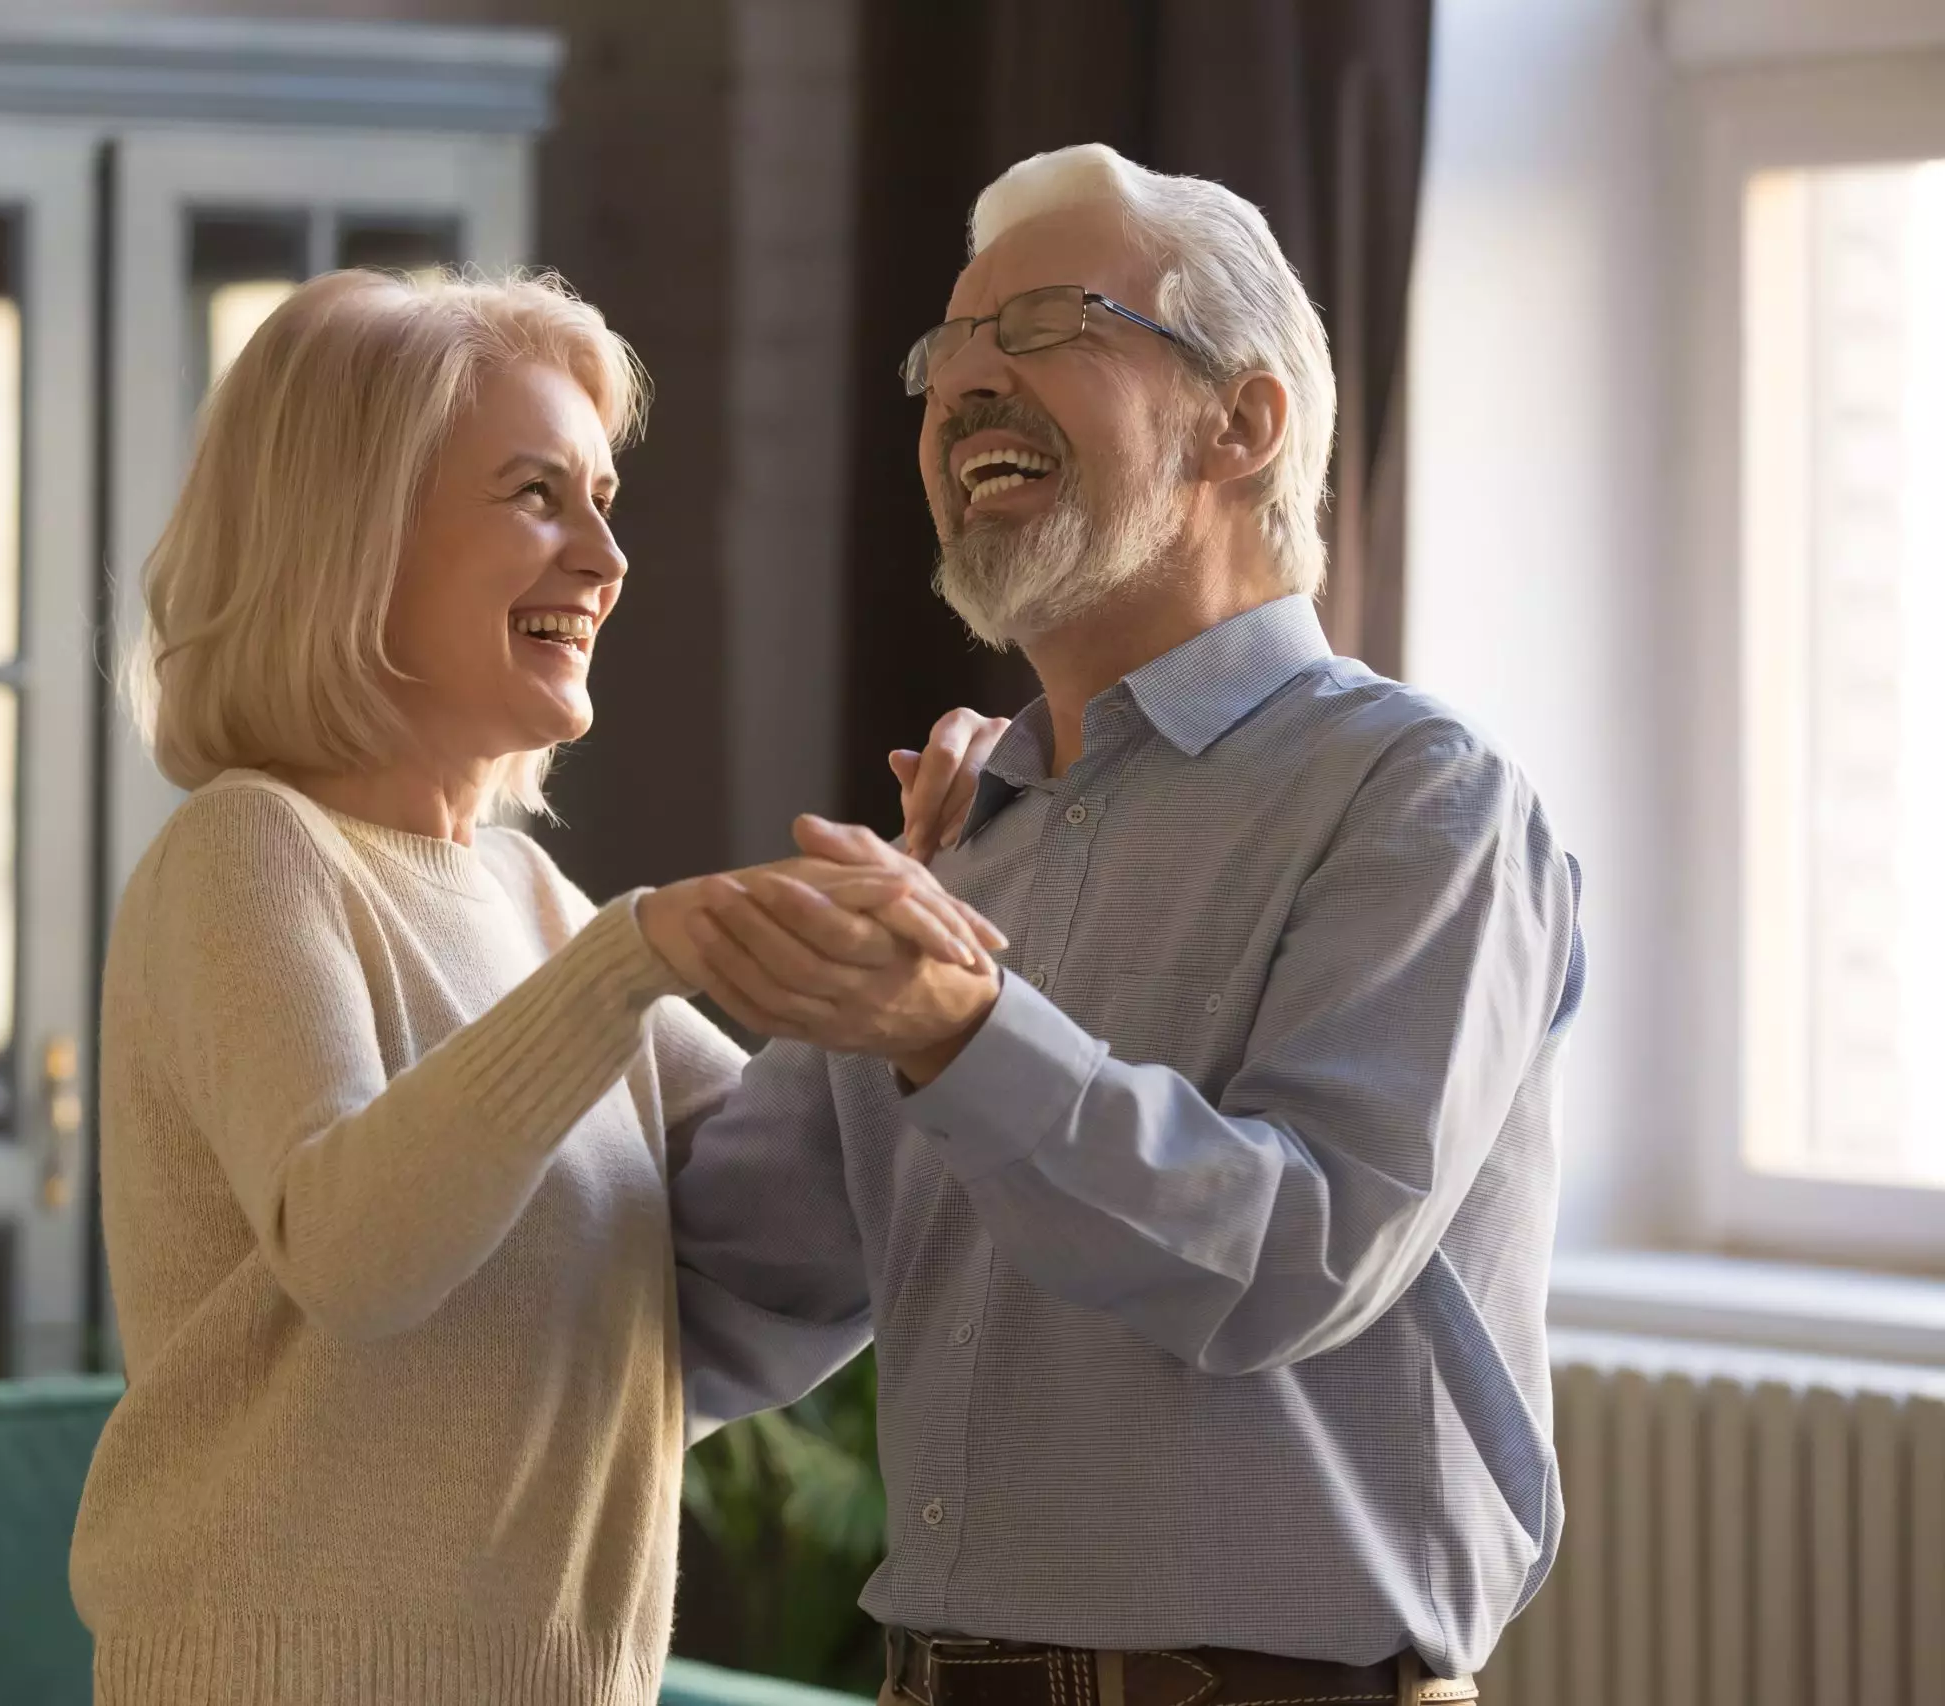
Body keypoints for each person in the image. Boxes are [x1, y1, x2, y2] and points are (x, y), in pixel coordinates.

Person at [667, 144, 1586, 1706]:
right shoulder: (959, 851)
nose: (962, 389)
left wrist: (959, 1033)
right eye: (943, 354)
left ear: (1246, 419)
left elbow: (1294, 1259)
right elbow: (717, 1287)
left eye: (1040, 328)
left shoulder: (1424, 801)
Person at [67, 265, 1006, 1706]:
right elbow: (358, 1254)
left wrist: (928, 896)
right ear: (354, 537)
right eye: (535, 494)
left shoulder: (527, 900)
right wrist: (634, 956)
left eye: (605, 499)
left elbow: (807, 1218)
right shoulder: (250, 853)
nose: (607, 558)